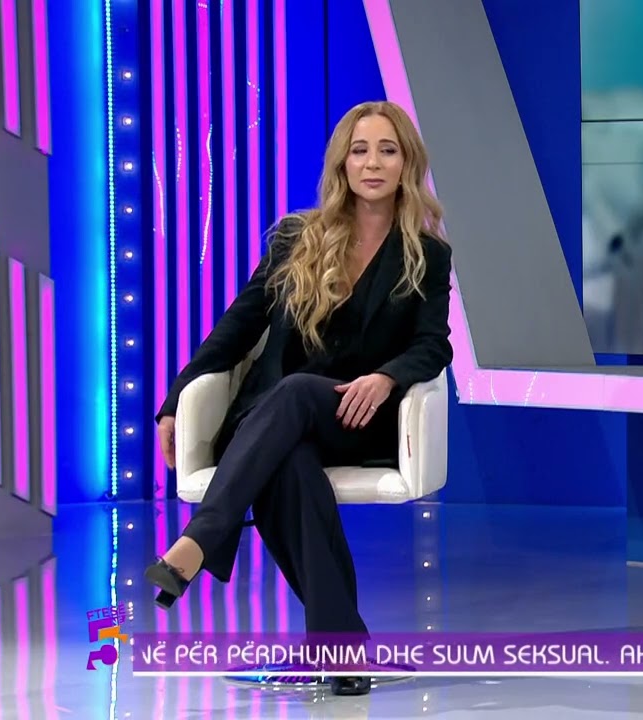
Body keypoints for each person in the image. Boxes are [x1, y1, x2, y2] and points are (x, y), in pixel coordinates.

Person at [143, 100, 454, 697]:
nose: (372, 163)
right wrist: (176, 398)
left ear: (406, 164)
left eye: (387, 150)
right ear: (342, 163)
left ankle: (200, 540)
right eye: (359, 150)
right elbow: (237, 327)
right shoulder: (297, 238)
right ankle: (343, 650)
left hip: (355, 418)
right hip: (273, 424)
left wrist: (386, 378)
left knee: (299, 394)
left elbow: (433, 343)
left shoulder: (426, 253)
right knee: (290, 463)